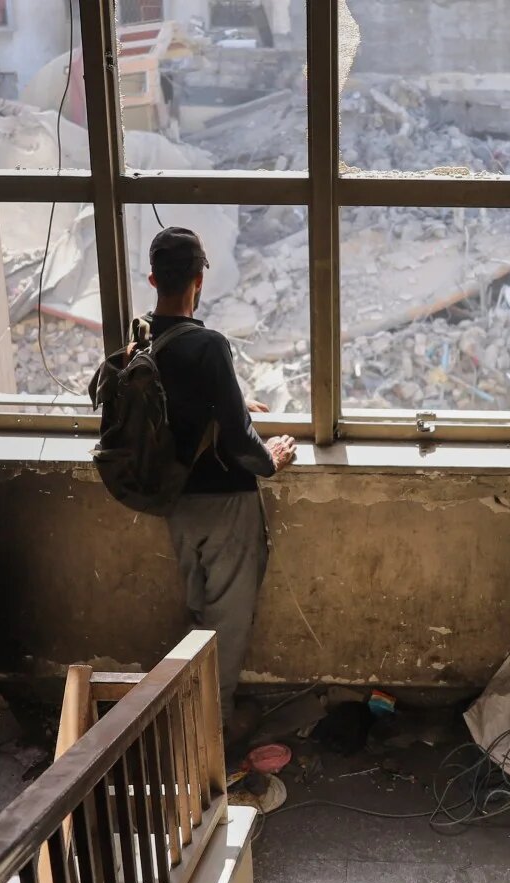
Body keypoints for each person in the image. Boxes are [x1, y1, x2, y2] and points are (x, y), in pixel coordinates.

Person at [142, 226, 297, 738]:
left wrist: (233, 401)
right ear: (198, 281)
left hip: (177, 501)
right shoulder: (207, 345)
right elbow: (239, 442)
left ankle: (189, 712)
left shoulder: (144, 338)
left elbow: (185, 409)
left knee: (197, 611)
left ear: (152, 279)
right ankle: (217, 728)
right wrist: (271, 458)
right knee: (227, 621)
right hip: (224, 500)